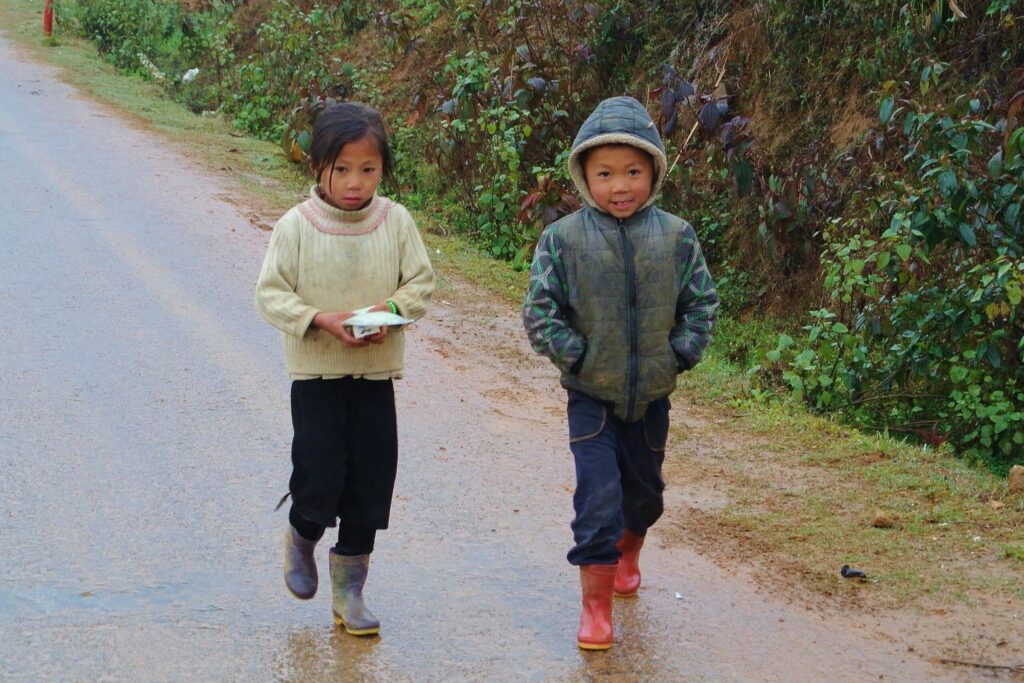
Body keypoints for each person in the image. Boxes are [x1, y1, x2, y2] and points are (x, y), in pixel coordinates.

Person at [522, 96, 718, 650]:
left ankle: (631, 549)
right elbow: (539, 311)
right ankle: (595, 607)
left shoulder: (677, 236)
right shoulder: (563, 239)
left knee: (646, 497)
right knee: (598, 501)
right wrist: (577, 357)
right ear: (584, 176)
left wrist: (679, 354)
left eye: (633, 171)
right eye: (605, 173)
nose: (620, 185)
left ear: (653, 170)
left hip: (652, 395)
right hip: (591, 397)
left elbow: (702, 303)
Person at [255, 102, 434, 636]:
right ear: (318, 168)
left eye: (368, 169)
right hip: (316, 379)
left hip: (376, 377)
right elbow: (270, 295)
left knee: (370, 484)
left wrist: (390, 315)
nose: (355, 182)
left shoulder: (396, 221)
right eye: (342, 169)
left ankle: (350, 593)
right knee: (319, 478)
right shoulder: (296, 227)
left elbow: (419, 285)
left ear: (382, 169)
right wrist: (318, 319)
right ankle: (301, 534)